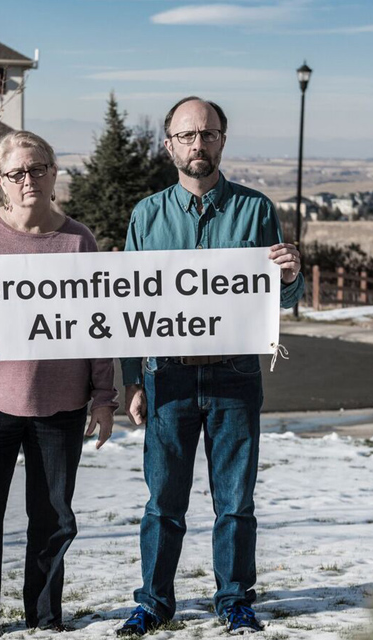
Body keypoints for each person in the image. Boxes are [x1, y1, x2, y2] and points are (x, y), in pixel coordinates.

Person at [116, 97, 304, 636]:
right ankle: (153, 601)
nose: (199, 145)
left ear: (223, 139)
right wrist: (132, 378)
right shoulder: (146, 216)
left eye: (210, 134)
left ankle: (234, 598)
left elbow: (283, 299)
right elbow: (130, 306)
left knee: (236, 500)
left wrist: (290, 276)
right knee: (163, 502)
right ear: (169, 143)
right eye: (188, 135)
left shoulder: (256, 209)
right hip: (167, 375)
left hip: (235, 375)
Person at [0, 131, 118, 640]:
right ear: (2, 182)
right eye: (17, 173)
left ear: (55, 173)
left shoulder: (79, 241)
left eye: (38, 169)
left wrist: (104, 399)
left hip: (60, 405)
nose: (28, 180)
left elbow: (98, 328)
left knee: (54, 518)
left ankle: (44, 617)